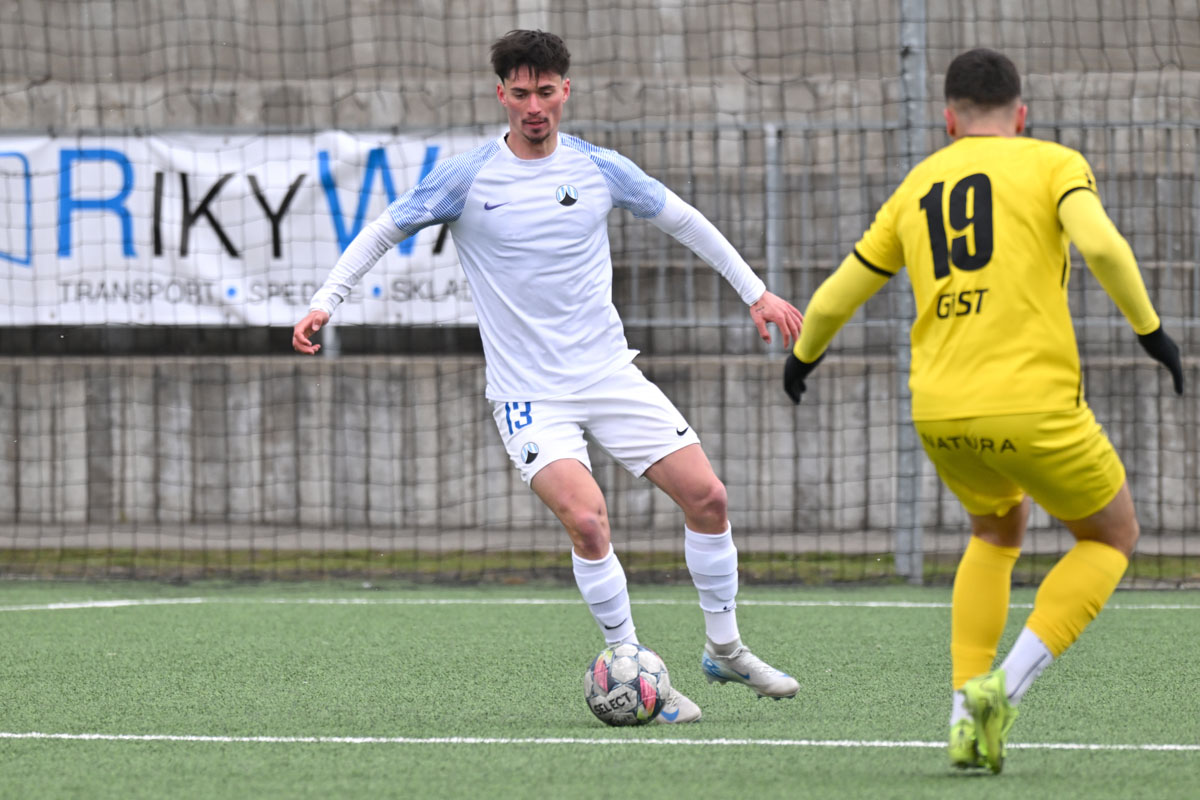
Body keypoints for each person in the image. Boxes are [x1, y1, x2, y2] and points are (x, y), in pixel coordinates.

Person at [294, 29, 804, 723]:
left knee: (708, 497)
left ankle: (725, 648)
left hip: (610, 375)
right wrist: (326, 301)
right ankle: (632, 666)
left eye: (545, 91)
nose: (534, 106)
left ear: (566, 90)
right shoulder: (467, 178)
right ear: (500, 95)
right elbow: (384, 228)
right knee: (588, 521)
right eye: (521, 93)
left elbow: (684, 221)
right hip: (529, 395)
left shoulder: (600, 169)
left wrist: (756, 292)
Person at [783, 48, 1183, 772]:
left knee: (996, 530)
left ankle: (961, 714)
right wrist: (1152, 333)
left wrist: (802, 359)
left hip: (939, 412)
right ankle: (1003, 689)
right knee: (1111, 535)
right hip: (1034, 405)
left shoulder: (917, 184)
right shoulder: (1054, 164)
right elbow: (1102, 245)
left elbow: (839, 292)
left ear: (949, 120)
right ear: (1020, 114)